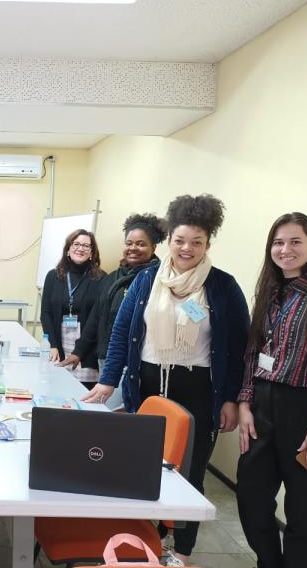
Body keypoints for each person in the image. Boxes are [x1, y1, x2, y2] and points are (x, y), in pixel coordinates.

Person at [84, 194, 249, 567]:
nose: (187, 248)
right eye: (180, 240)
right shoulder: (147, 280)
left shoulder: (222, 286)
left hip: (199, 389)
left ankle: (183, 552)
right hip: (146, 385)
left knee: (190, 474)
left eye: (197, 242)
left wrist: (230, 399)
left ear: (208, 244)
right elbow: (122, 333)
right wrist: (108, 381)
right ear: (169, 240)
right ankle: (150, 536)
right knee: (144, 466)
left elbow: (239, 347)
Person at [236, 213, 307, 568]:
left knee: (306, 511)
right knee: (250, 496)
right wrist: (245, 403)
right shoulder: (269, 291)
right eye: (278, 242)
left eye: (295, 241)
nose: (285, 249)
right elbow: (253, 351)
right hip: (262, 406)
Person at [64, 214, 167, 381]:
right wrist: (78, 352)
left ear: (153, 247)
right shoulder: (111, 278)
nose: (133, 248)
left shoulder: (158, 279)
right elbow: (96, 317)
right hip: (107, 358)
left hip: (137, 362)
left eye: (141, 244)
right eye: (129, 243)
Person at [40, 229, 106, 387]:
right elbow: (46, 313)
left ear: (92, 252)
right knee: (56, 388)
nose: (80, 248)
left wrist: (80, 351)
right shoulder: (53, 276)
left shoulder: (101, 278)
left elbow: (98, 319)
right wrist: (53, 345)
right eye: (76, 244)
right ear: (68, 249)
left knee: (83, 393)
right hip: (58, 344)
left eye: (86, 245)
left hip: (87, 348)